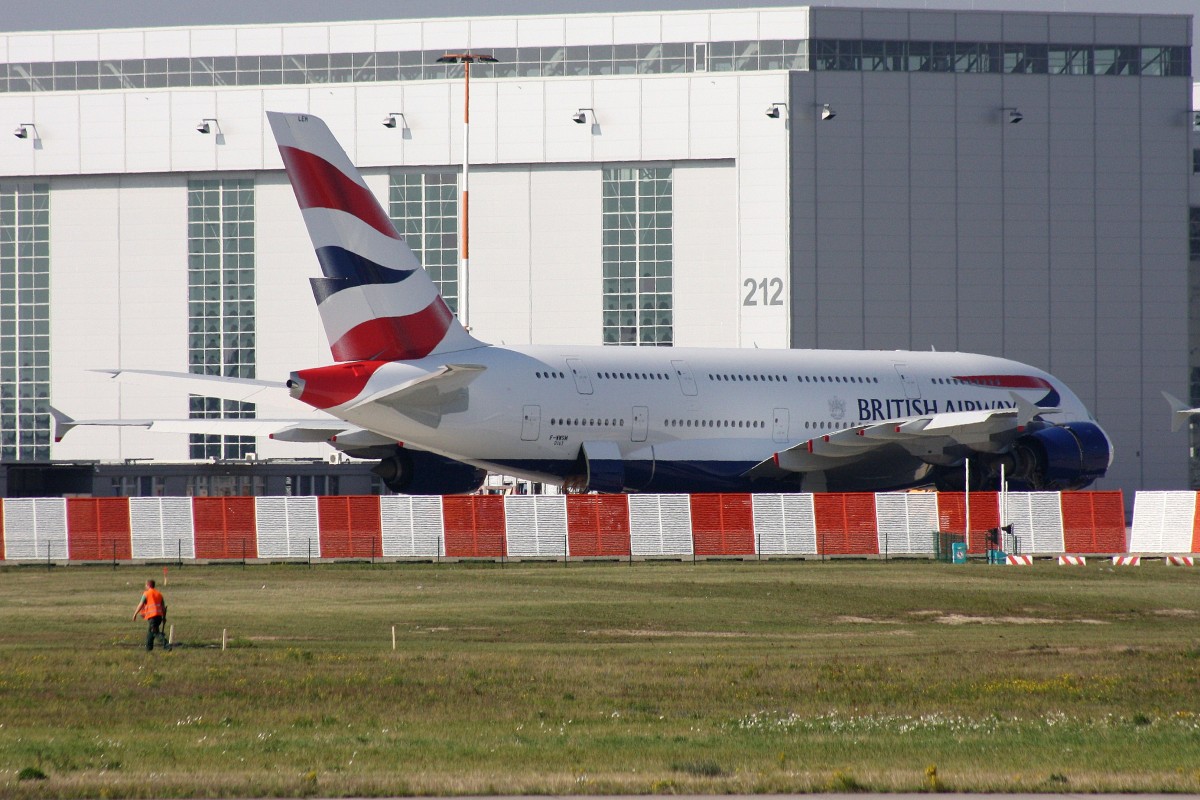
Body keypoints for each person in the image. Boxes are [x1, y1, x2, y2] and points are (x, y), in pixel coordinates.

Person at [132, 579, 171, 652]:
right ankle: (148, 649)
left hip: (152, 616)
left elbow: (141, 604)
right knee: (150, 633)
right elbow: (163, 607)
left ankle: (166, 644)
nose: (145, 586)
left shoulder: (146, 593)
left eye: (146, 585)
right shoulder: (159, 594)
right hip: (159, 617)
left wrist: (135, 614)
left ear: (148, 585)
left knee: (155, 633)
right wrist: (164, 618)